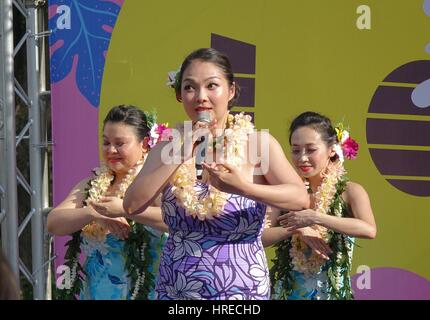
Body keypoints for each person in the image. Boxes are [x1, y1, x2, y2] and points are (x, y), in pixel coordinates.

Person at [123, 48, 309, 300]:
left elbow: (299, 198)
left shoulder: (258, 144)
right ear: (179, 95)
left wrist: (244, 187)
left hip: (241, 289)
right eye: (189, 88)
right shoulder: (167, 147)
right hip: (178, 288)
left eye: (212, 86)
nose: (201, 97)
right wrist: (180, 154)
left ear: (230, 91)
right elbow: (132, 204)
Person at [47, 105, 168, 300]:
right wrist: (93, 213)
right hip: (96, 292)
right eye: (106, 142)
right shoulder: (91, 185)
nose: (111, 150)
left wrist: (126, 211)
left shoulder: (153, 182)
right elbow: (54, 222)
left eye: (120, 143)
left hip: (146, 292)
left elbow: (178, 221)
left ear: (144, 144)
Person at [267, 111, 377, 300]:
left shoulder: (349, 191)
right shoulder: (286, 192)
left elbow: (369, 230)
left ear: (332, 149)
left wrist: (316, 217)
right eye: (295, 150)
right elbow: (259, 237)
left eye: (311, 149)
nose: (302, 158)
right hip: (287, 294)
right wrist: (297, 229)